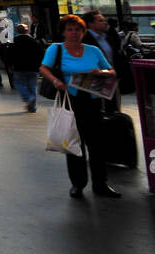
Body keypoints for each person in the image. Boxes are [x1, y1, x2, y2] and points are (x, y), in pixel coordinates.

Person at [38, 14, 119, 199]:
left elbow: (111, 70)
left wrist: (102, 72)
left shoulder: (93, 50)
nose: (74, 33)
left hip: (92, 100)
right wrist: (56, 81)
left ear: (83, 31)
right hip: (71, 101)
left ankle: (101, 183)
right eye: (70, 30)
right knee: (74, 143)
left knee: (97, 144)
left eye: (78, 30)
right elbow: (44, 68)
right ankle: (78, 184)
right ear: (64, 32)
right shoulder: (56, 49)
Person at [8, 23, 43, 112]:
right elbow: (40, 54)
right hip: (33, 67)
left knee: (18, 84)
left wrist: (9, 65)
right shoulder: (34, 41)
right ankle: (33, 107)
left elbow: (9, 55)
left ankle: (28, 98)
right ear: (27, 31)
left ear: (16, 31)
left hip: (19, 67)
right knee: (33, 86)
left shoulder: (13, 41)